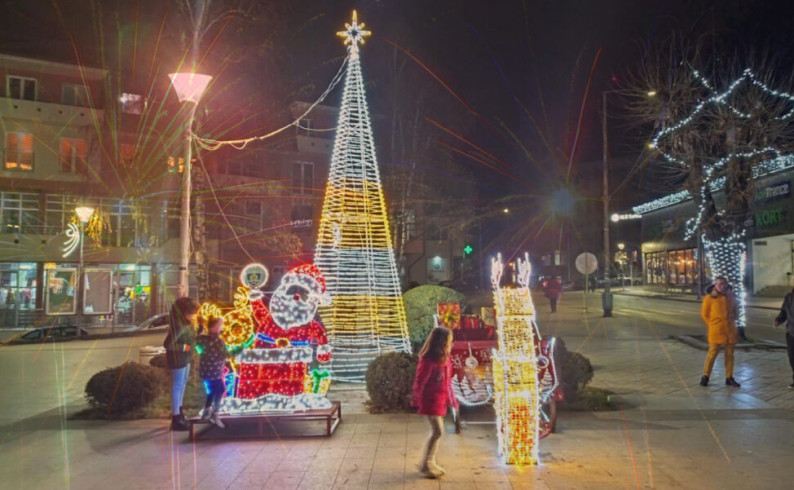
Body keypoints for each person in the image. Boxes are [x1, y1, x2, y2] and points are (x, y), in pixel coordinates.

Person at [411, 327, 458, 479]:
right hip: (430, 400)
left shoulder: (445, 359)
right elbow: (420, 380)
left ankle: (429, 461)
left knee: (437, 432)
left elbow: (447, 382)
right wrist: (417, 398)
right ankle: (426, 463)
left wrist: (451, 400)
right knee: (437, 431)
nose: (451, 344)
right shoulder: (428, 360)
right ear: (441, 342)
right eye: (449, 341)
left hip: (439, 400)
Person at [195, 316, 240, 428]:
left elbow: (198, 347)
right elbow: (227, 355)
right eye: (219, 326)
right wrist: (238, 349)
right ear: (214, 328)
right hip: (214, 372)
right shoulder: (219, 342)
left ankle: (206, 413)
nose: (221, 328)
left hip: (205, 371)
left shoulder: (201, 339)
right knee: (220, 390)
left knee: (211, 392)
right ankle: (215, 413)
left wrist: (202, 352)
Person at [163, 297, 200, 431]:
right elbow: (167, 344)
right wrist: (185, 347)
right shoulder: (179, 327)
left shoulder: (188, 325)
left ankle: (179, 412)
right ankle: (175, 417)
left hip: (186, 359)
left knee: (182, 383)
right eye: (191, 313)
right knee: (177, 386)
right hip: (177, 359)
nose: (194, 316)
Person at [700, 277, 740, 388]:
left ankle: (729, 377)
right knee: (712, 354)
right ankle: (705, 376)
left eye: (721, 284)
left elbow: (736, 311)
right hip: (716, 330)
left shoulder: (731, 297)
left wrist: (732, 319)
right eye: (717, 284)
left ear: (726, 285)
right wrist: (713, 324)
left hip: (729, 330)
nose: (719, 286)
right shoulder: (710, 298)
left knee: (730, 355)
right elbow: (705, 314)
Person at [773, 287, 794, 388]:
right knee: (792, 358)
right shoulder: (789, 297)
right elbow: (784, 312)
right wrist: (779, 320)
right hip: (791, 332)